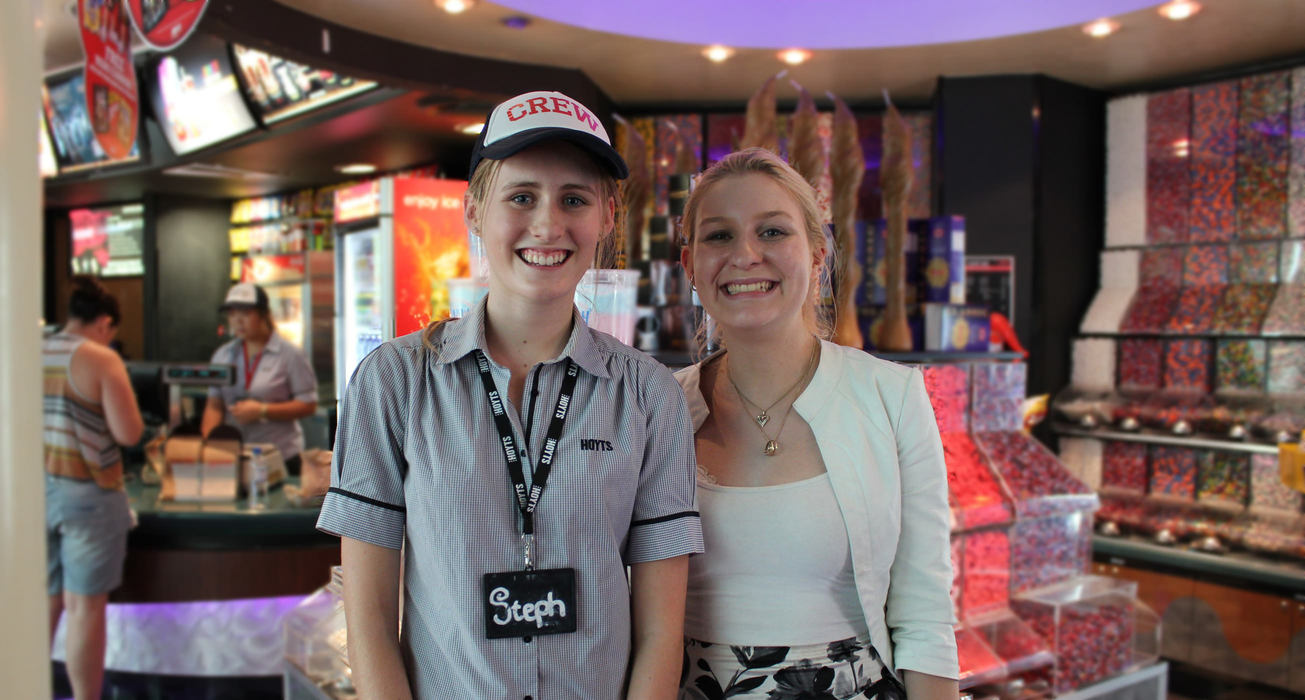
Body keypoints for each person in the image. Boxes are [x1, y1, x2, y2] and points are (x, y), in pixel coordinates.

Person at [317, 90, 703, 699]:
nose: (548, 224)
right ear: (475, 211)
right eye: (521, 197)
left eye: (574, 199)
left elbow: (661, 631)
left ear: (606, 216)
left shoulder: (648, 394)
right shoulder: (393, 382)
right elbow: (367, 622)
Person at [674, 148, 959, 700]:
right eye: (719, 236)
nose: (746, 255)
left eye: (773, 232)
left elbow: (925, 614)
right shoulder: (659, 406)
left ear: (818, 253)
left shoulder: (892, 396)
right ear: (690, 266)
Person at [44, 275, 144, 700]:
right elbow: (128, 432)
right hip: (87, 494)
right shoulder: (100, 359)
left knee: (42, 603)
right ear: (105, 323)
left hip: (34, 492)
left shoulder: (29, 347)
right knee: (84, 608)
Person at [201, 283, 317, 474]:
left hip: (280, 458)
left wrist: (263, 410)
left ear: (264, 314)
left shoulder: (290, 354)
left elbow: (308, 404)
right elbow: (214, 405)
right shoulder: (223, 355)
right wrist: (208, 448)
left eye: (245, 314)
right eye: (232, 314)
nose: (237, 321)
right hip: (234, 456)